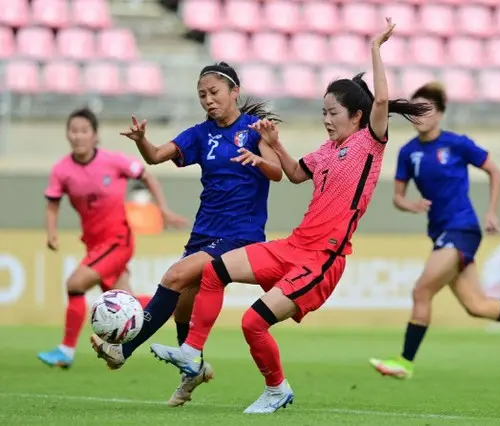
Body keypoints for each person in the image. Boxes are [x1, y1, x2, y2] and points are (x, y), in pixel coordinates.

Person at [147, 18, 431, 414]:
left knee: (253, 322)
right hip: (295, 246)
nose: (326, 119)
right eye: (323, 112)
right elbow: (295, 175)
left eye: (333, 112)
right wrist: (275, 145)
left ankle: (277, 388)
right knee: (213, 271)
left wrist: (375, 49)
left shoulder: (370, 143)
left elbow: (381, 102)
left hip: (324, 258)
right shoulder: (326, 151)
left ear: (357, 116)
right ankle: (191, 353)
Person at [90, 62, 284, 407]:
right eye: (202, 95)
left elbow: (277, 172)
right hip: (204, 232)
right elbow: (155, 157)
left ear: (234, 91)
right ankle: (191, 371)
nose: (208, 100)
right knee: (182, 307)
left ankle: (123, 350)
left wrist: (257, 158)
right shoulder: (200, 134)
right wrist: (141, 141)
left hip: (241, 234)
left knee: (174, 276)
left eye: (214, 93)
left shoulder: (254, 131)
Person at [368, 82, 500, 380]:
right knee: (476, 305)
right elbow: (397, 197)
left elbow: (495, 170)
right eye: (414, 110)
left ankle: (405, 361)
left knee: (421, 290)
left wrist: (492, 211)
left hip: (462, 228)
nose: (419, 116)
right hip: (441, 234)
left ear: (440, 114)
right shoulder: (408, 152)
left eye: (425, 110)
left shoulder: (457, 144)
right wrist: (408, 205)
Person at [37, 107, 186, 369]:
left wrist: (163, 209)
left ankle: (66, 350)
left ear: (95, 136)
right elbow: (52, 203)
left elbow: (146, 176)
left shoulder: (113, 161)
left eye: (84, 131)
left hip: (118, 240)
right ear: (67, 135)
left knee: (75, 283)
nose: (78, 136)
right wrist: (51, 233)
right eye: (73, 131)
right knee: (125, 302)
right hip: (95, 245)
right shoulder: (62, 170)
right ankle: (174, 307)